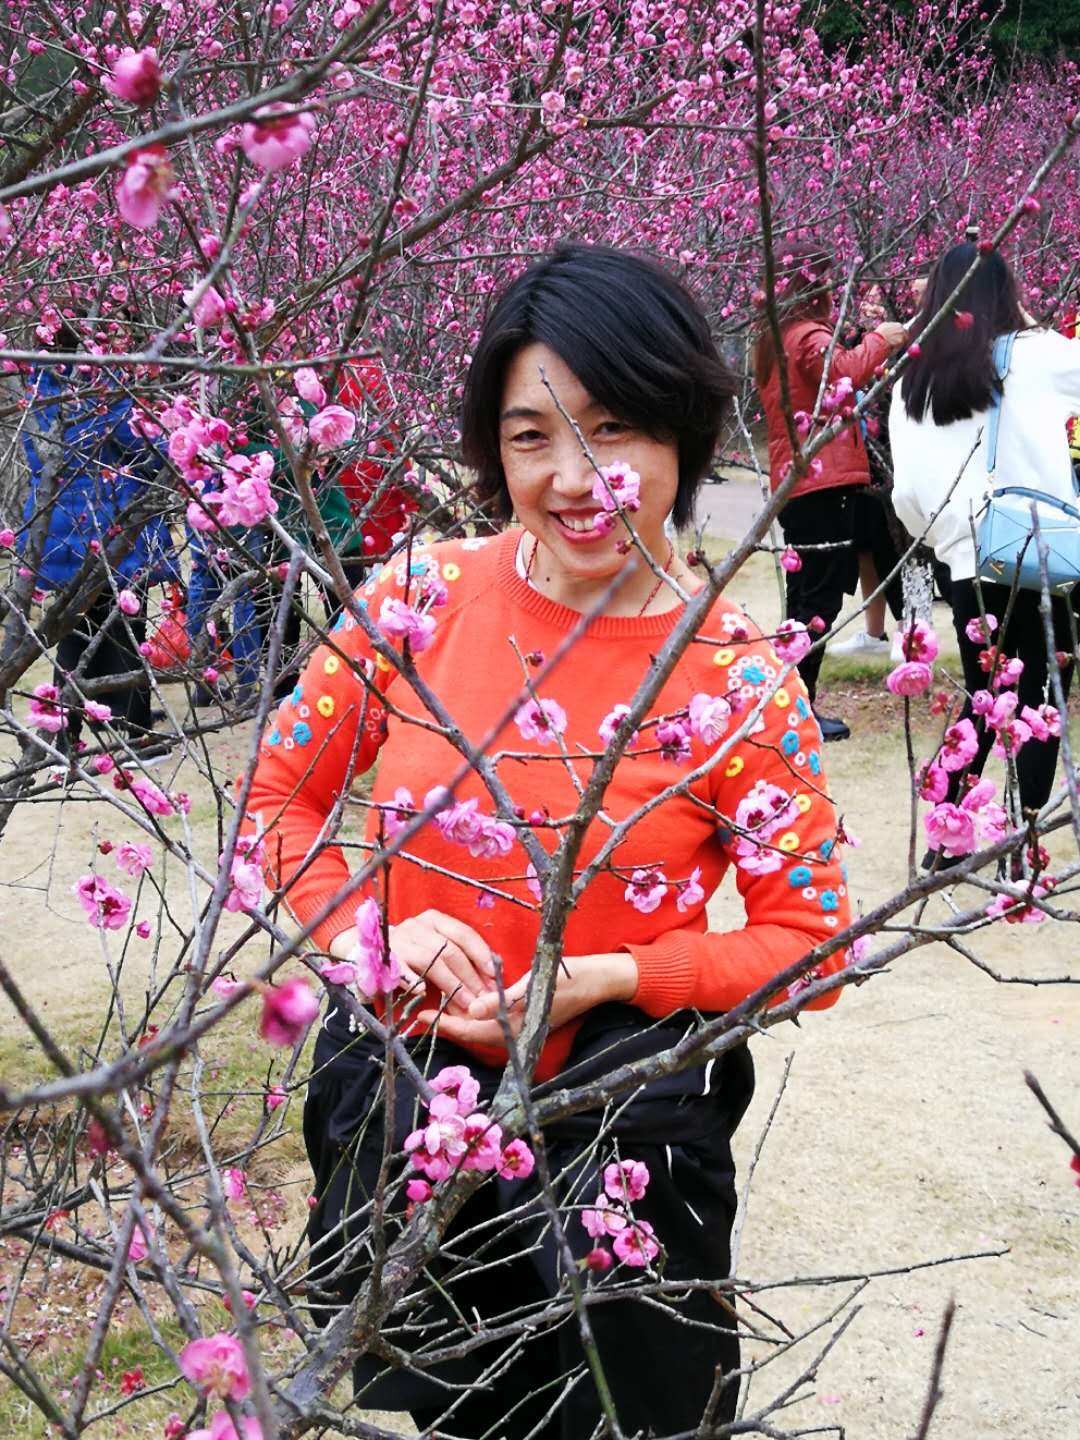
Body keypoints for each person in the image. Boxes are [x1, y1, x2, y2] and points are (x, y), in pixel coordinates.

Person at [244, 244, 853, 1438]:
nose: (579, 478)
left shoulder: (737, 681)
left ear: (682, 429)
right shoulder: (417, 596)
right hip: (411, 1101)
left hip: (622, 1132)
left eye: (614, 426)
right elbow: (278, 804)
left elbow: (812, 939)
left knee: (630, 1412)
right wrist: (371, 928)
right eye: (533, 436)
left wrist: (620, 975)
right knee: (450, 1404)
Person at [889, 242, 1080, 862]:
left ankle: (950, 836)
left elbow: (907, 492)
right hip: (1040, 549)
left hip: (965, 560)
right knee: (1042, 698)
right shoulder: (1036, 355)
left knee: (982, 695)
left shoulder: (911, 376)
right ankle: (1022, 835)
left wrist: (950, 536)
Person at [754, 243, 908, 739]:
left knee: (805, 597)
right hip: (823, 479)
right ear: (815, 285)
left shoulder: (777, 336)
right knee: (817, 600)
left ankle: (789, 701)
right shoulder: (805, 334)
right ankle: (798, 708)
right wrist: (881, 341)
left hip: (801, 479)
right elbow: (839, 375)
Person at [21, 361, 175, 748]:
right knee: (126, 626)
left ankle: (64, 733)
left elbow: (37, 456)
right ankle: (138, 732)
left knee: (75, 629)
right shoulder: (100, 384)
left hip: (56, 522)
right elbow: (142, 446)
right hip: (106, 520)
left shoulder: (35, 385)